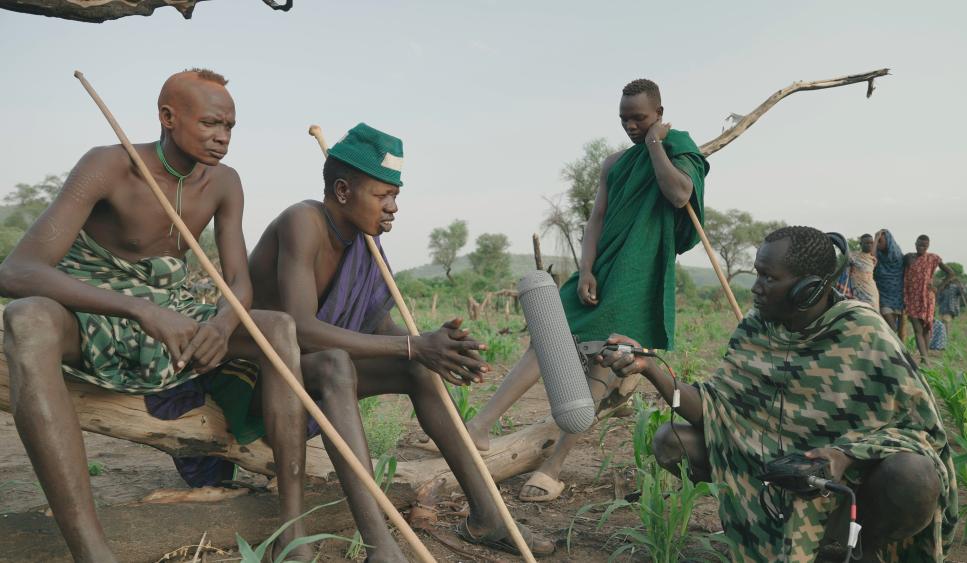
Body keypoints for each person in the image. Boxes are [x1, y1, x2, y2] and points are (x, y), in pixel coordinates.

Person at [0, 69, 313, 561]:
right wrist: (139, 308)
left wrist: (222, 324)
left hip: (172, 309)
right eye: (211, 123)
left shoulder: (225, 183)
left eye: (230, 127)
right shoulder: (107, 165)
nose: (222, 137)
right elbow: (16, 270)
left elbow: (239, 281)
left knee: (277, 328)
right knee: (28, 319)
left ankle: (293, 536)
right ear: (168, 117)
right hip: (95, 309)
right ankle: (92, 551)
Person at [247, 123, 554, 560]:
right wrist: (413, 345)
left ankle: (487, 516)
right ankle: (380, 544)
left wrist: (434, 348)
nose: (392, 208)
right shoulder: (304, 222)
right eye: (382, 196)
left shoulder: (365, 243)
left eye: (396, 197)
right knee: (339, 363)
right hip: (257, 378)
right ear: (341, 190)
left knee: (416, 367)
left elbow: (378, 325)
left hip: (309, 369)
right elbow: (299, 328)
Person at [598, 226, 957, 562]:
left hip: (848, 483)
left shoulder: (863, 332)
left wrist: (845, 455)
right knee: (671, 440)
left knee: (914, 474)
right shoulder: (757, 327)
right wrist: (650, 368)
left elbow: (920, 434)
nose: (756, 287)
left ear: (810, 288)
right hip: (772, 467)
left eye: (769, 277)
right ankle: (770, 528)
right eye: (757, 273)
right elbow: (715, 408)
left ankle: (855, 547)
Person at [463, 78, 709, 502]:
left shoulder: (678, 151)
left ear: (660, 115)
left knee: (604, 366)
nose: (631, 126)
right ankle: (479, 427)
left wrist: (655, 145)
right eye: (624, 119)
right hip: (603, 267)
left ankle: (554, 465)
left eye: (640, 118)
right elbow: (596, 219)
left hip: (640, 275)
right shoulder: (614, 164)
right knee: (548, 337)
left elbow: (679, 193)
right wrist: (588, 269)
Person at [903, 235, 955, 364]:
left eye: (924, 246)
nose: (922, 248)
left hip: (928, 297)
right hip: (912, 298)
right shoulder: (908, 257)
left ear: (928, 246)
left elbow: (951, 273)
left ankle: (923, 359)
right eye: (920, 245)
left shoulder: (933, 258)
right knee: (917, 330)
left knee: (926, 329)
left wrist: (939, 287)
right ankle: (926, 360)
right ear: (915, 244)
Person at [873, 229, 905, 335]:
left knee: (894, 328)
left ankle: (898, 349)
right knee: (891, 326)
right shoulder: (878, 255)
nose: (877, 244)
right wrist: (876, 238)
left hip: (897, 296)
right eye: (876, 242)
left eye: (880, 241)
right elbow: (872, 260)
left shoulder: (896, 255)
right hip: (884, 296)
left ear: (888, 241)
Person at [840, 233, 879, 309]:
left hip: (871, 291)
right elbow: (845, 268)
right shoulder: (853, 256)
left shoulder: (873, 260)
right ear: (861, 244)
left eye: (871, 243)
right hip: (857, 292)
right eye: (867, 243)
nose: (869, 245)